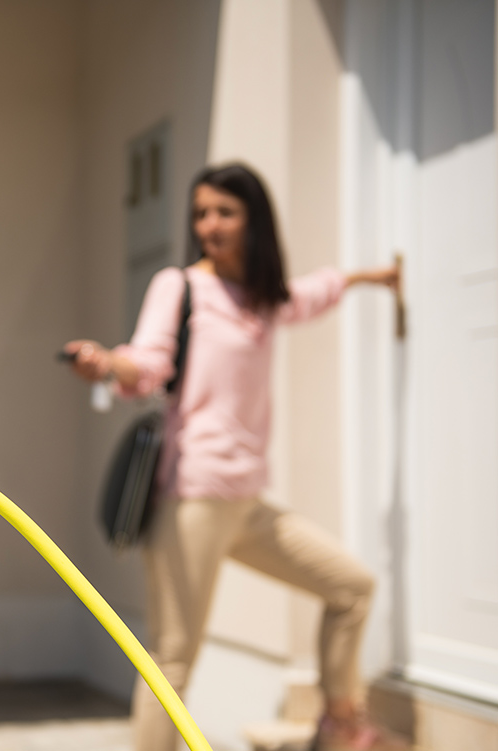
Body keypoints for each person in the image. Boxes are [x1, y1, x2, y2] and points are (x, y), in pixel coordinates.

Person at [64, 163, 407, 751]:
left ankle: (339, 725)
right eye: (201, 213)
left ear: (254, 221)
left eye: (224, 212)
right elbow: (148, 363)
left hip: (245, 503)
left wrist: (377, 278)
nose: (209, 225)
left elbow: (316, 290)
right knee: (172, 662)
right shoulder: (182, 287)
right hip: (193, 498)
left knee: (351, 588)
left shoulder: (265, 299)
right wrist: (107, 363)